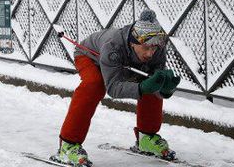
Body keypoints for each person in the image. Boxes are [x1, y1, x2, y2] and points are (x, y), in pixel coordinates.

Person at [55, 10, 180, 166]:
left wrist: (165, 90)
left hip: (117, 62)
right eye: (146, 48)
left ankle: (146, 137)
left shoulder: (157, 49)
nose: (150, 53)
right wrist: (142, 88)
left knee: (151, 80)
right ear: (134, 42)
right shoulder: (113, 45)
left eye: (153, 48)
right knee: (94, 85)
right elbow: (113, 88)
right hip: (90, 56)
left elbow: (154, 83)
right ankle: (68, 144)